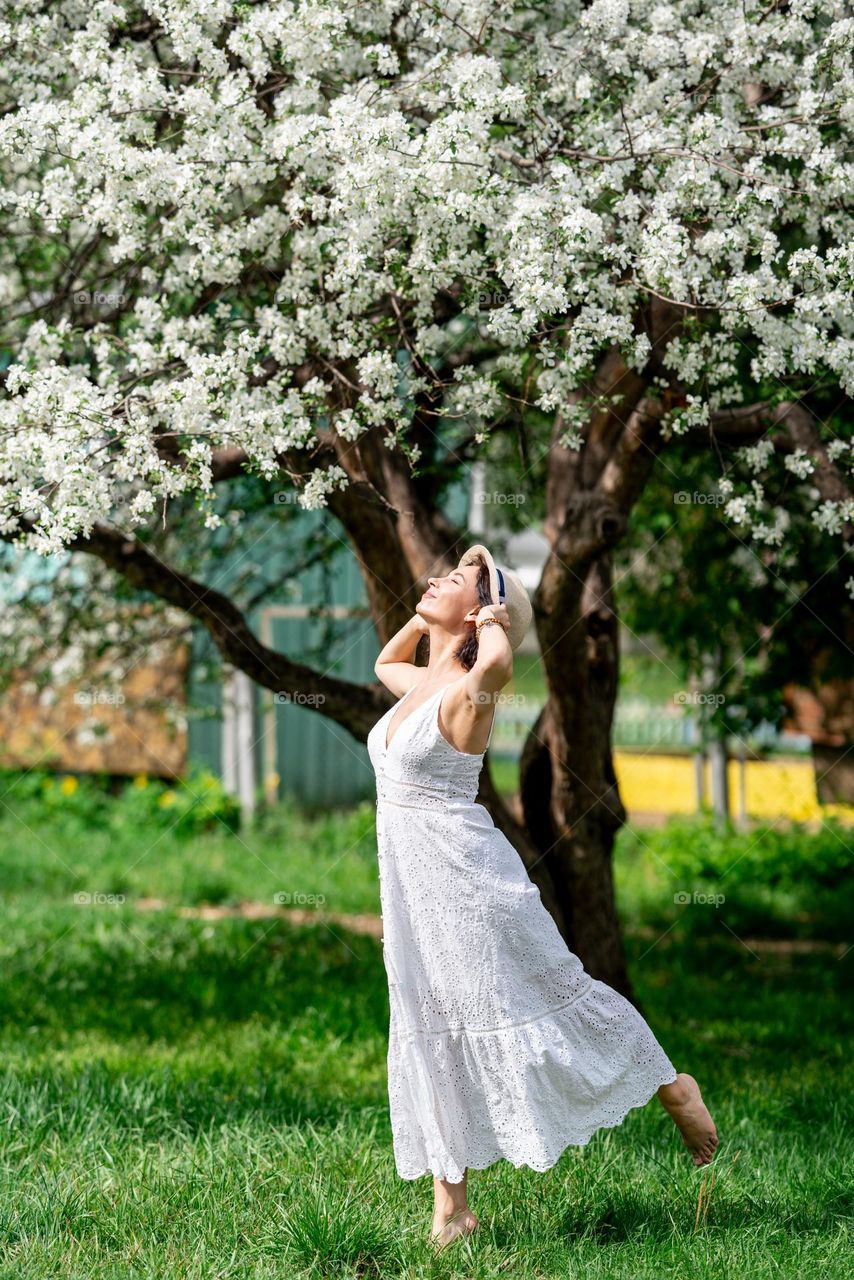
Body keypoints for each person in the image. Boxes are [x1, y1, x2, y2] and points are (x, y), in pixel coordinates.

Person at [367, 543, 718, 1251]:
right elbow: (382, 662)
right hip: (413, 894)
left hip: (469, 887)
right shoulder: (419, 684)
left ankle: (672, 1086)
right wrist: (435, 616)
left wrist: (491, 619)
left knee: (560, 1001)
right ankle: (452, 1210)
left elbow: (496, 661)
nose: (433, 579)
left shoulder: (473, 690)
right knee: (428, 1027)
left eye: (455, 579)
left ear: (479, 614)